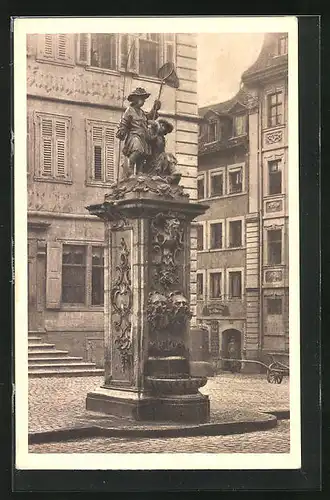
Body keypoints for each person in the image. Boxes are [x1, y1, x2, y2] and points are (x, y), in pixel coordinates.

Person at [116, 87, 161, 175]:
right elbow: (124, 122)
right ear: (136, 99)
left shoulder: (141, 112)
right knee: (137, 150)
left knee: (142, 155)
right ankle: (130, 169)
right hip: (134, 135)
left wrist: (155, 108)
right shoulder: (129, 111)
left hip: (143, 136)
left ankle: (139, 173)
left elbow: (149, 117)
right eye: (142, 99)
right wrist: (121, 132)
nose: (144, 101)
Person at [147, 118, 181, 185]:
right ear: (160, 126)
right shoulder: (153, 136)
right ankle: (170, 173)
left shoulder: (162, 138)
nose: (165, 131)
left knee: (168, 155)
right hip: (153, 159)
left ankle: (171, 173)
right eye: (163, 127)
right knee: (166, 155)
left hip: (161, 158)